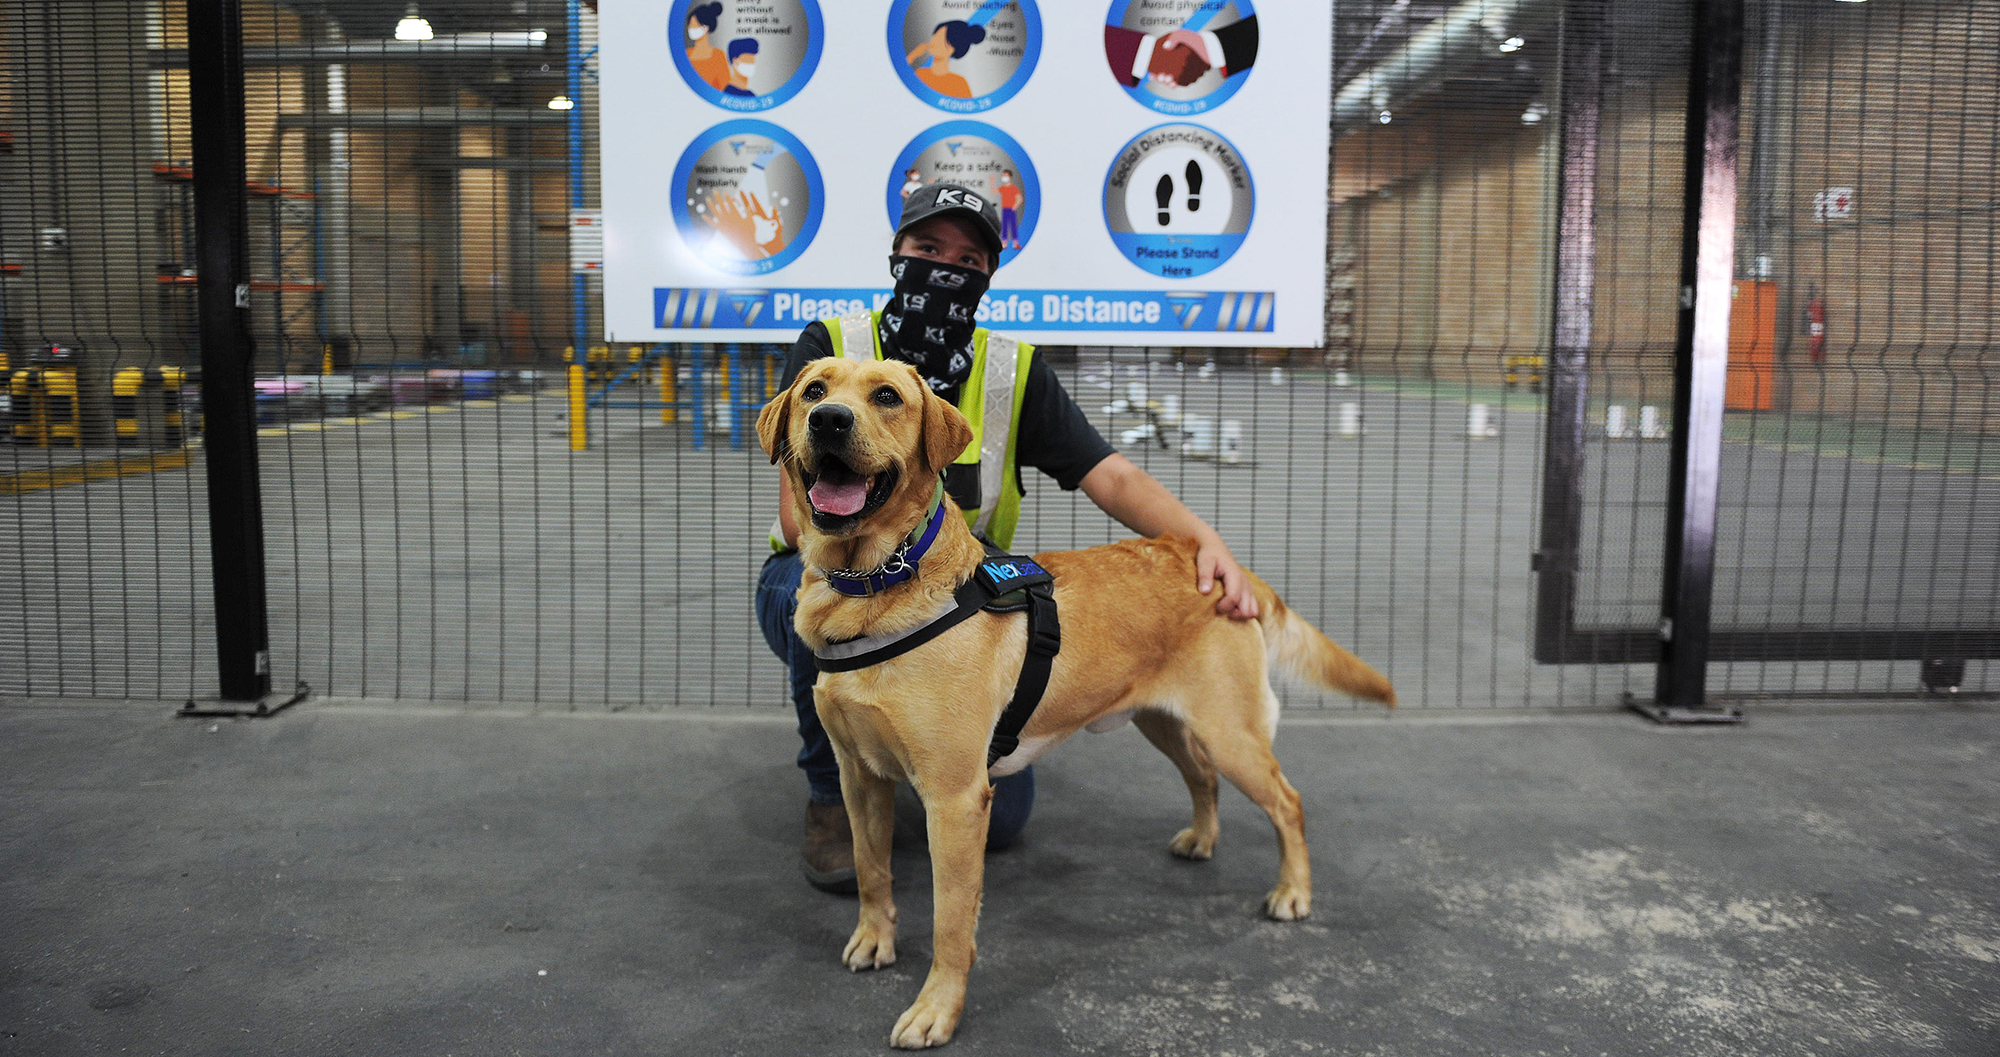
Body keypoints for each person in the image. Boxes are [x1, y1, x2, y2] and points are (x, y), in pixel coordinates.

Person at [755, 183, 1260, 893]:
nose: (945, 269)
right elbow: (792, 515)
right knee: (811, 610)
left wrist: (1208, 541)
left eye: (967, 259)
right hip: (834, 567)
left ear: (987, 278)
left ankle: (922, 742)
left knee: (1002, 814)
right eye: (927, 250)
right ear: (896, 254)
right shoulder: (832, 348)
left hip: (955, 586)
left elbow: (1109, 476)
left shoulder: (1011, 369)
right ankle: (831, 789)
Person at [907, 20, 983, 99]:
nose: (934, 42)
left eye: (941, 41)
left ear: (952, 50)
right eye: (935, 36)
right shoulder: (920, 73)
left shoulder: (959, 84)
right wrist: (913, 55)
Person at [684, 3, 729, 91]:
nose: (690, 28)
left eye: (693, 24)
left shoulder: (718, 56)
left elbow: (725, 89)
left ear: (705, 27)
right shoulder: (686, 54)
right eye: (689, 24)